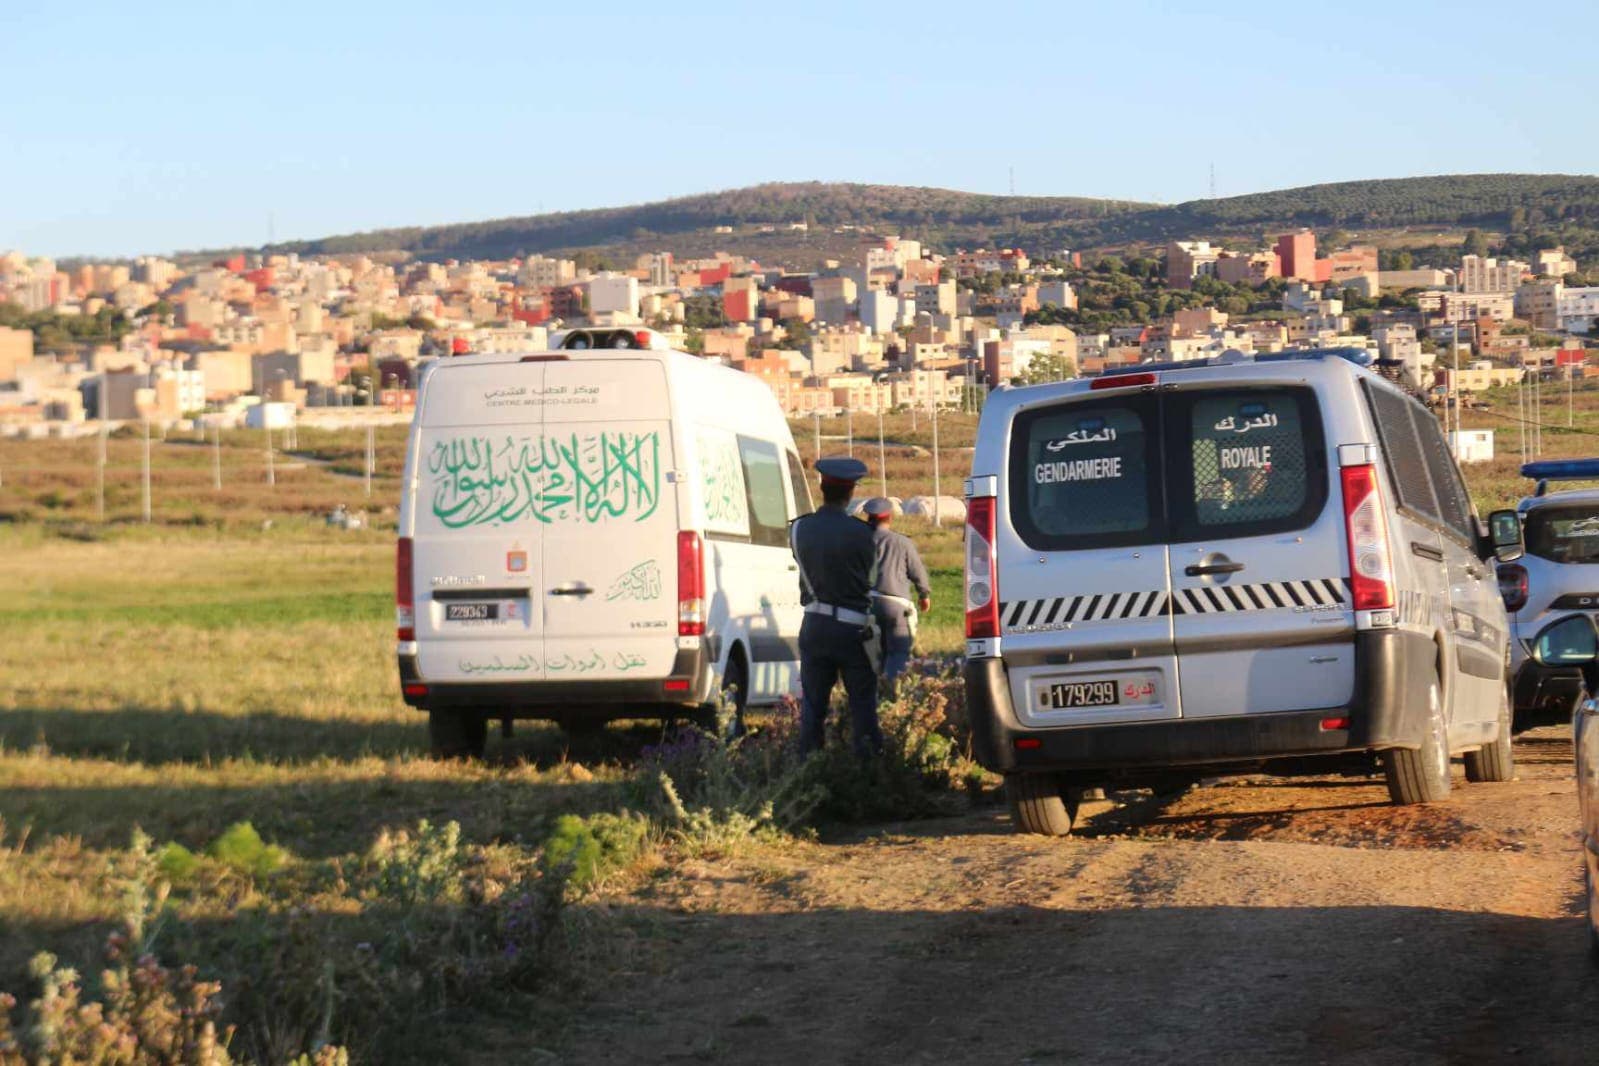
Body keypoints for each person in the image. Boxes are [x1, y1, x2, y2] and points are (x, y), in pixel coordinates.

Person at [790, 456, 881, 757]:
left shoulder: (799, 529)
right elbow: (872, 577)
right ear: (851, 492)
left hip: (814, 624)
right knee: (863, 707)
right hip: (853, 628)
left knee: (813, 710)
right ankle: (867, 776)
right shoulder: (863, 534)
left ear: (821, 488)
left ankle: (807, 775)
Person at [862, 497, 932, 700]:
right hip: (896, 605)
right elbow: (917, 571)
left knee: (875, 653)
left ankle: (874, 695)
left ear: (869, 518)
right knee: (898, 652)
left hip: (867, 605)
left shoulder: (859, 543)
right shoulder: (902, 542)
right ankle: (892, 695)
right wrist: (924, 594)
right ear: (889, 517)